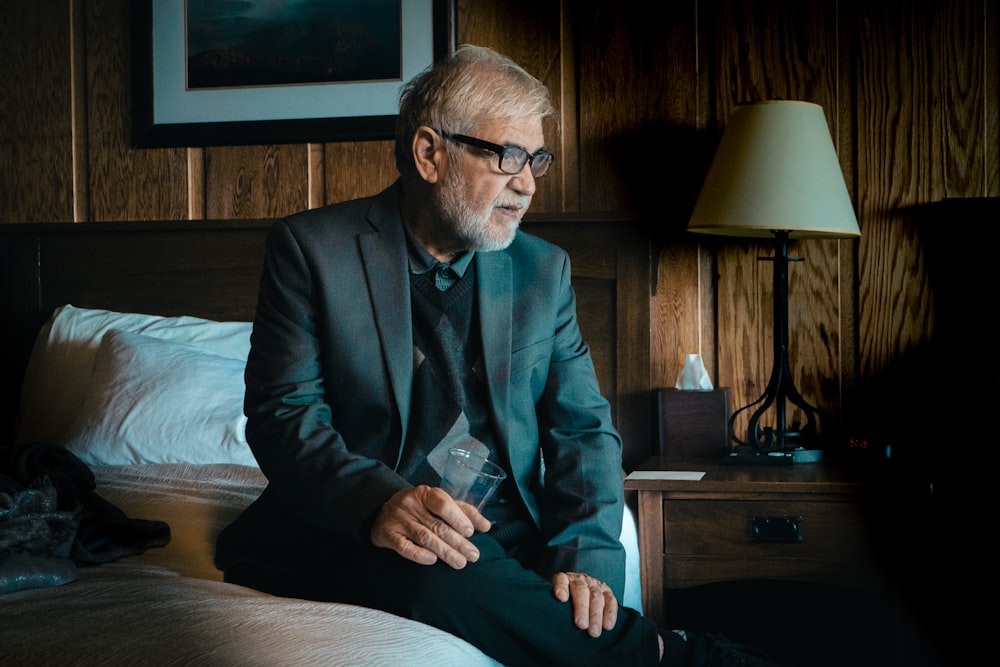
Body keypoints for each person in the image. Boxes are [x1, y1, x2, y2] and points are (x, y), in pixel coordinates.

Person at [215, 44, 784, 667]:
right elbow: (283, 414)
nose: (528, 182)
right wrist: (380, 503)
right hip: (361, 516)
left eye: (536, 158)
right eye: (508, 156)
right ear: (430, 153)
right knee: (435, 575)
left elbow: (583, 429)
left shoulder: (543, 270)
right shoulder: (313, 250)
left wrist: (585, 560)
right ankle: (676, 656)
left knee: (535, 587)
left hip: (504, 520)